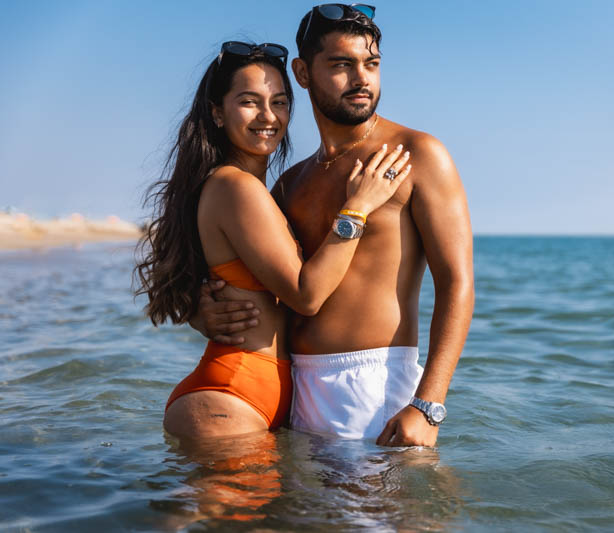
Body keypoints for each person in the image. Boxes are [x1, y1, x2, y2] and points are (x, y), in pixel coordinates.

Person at [195, 4, 474, 447]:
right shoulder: (290, 183)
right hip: (295, 388)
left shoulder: (415, 154)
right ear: (303, 73)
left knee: (382, 517)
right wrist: (200, 313)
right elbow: (271, 283)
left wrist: (429, 404)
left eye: (371, 63)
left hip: (375, 384)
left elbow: (456, 282)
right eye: (342, 65)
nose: (362, 79)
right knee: (299, 519)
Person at [135, 39, 410, 439]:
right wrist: (358, 208)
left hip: (255, 399)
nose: (269, 116)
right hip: (229, 398)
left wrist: (199, 312)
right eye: (250, 101)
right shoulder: (235, 187)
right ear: (216, 112)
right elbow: (306, 295)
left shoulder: (262, 192)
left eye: (280, 102)